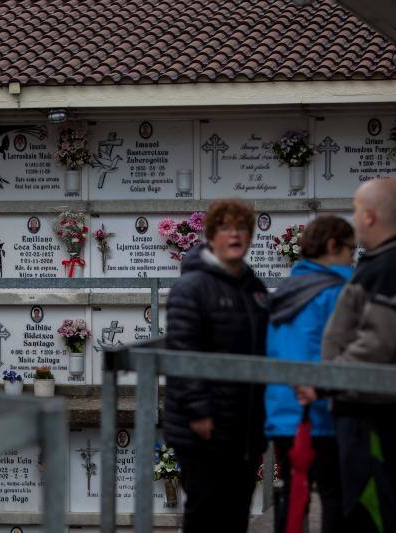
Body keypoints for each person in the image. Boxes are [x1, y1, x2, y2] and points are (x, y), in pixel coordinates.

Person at [297, 179, 396, 532]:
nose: (354, 221)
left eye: (357, 212)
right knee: (363, 506)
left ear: (370, 216)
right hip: (364, 407)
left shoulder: (395, 265)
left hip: (374, 409)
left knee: (372, 513)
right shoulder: (385, 260)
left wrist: (323, 381)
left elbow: (376, 344)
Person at [164, 199, 268, 533]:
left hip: (245, 424)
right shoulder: (191, 286)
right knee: (206, 511)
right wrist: (199, 411)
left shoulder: (253, 287)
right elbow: (183, 350)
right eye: (225, 228)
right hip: (205, 426)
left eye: (241, 228)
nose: (235, 235)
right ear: (211, 236)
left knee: (237, 511)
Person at [264, 216, 355, 533]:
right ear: (333, 246)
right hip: (322, 411)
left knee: (292, 496)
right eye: (351, 251)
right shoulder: (340, 291)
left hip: (282, 412)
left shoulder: (287, 288)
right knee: (336, 498)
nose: (353, 259)